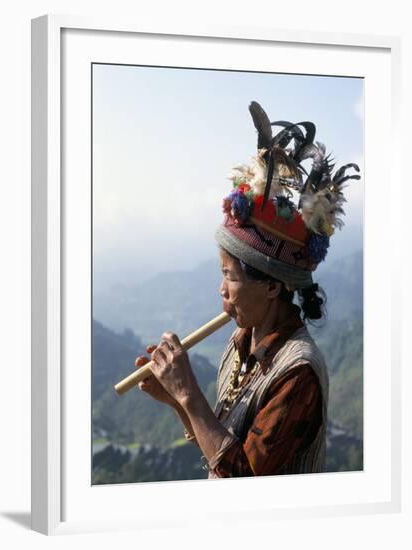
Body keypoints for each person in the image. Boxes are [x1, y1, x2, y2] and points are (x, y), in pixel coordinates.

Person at [135, 101, 360, 478]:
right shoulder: (240, 343)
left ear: (272, 288)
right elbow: (221, 445)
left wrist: (189, 393)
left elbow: (243, 480)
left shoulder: (298, 371)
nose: (222, 289)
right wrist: (176, 400)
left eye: (231, 276)